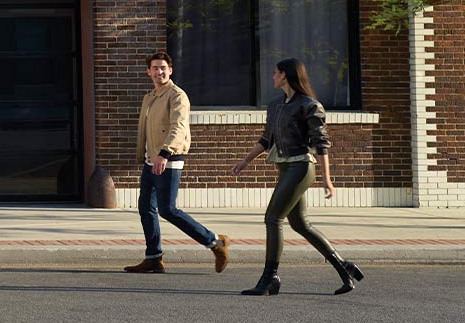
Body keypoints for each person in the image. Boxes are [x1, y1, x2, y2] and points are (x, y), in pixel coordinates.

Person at [230, 57, 366, 296]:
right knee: (300, 225)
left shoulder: (309, 105)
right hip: (285, 168)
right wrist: (245, 161)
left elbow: (321, 144)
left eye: (275, 73)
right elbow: (266, 139)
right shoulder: (275, 105)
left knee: (272, 218)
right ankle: (344, 268)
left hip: (301, 168)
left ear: (285, 75)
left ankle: (269, 278)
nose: (272, 77)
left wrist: (327, 179)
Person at [123, 51, 229, 274]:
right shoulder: (150, 97)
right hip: (151, 160)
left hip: (168, 159)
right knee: (145, 208)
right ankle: (153, 257)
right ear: (148, 71)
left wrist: (164, 153)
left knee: (168, 209)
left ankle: (214, 243)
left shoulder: (177, 95)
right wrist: (144, 156)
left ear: (170, 70)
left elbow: (178, 127)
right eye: (155, 68)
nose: (159, 71)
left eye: (163, 67)